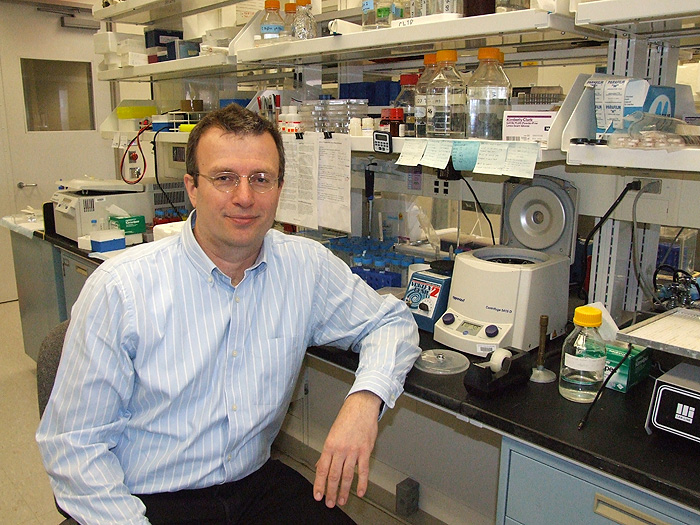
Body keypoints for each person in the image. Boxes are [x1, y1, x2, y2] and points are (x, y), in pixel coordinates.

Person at [36, 103, 421, 524]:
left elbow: (391, 321)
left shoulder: (305, 267)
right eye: (224, 178)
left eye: (261, 179)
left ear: (280, 187)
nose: (244, 196)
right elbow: (74, 446)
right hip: (146, 497)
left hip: (253, 484)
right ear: (192, 188)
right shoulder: (121, 289)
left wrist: (364, 401)